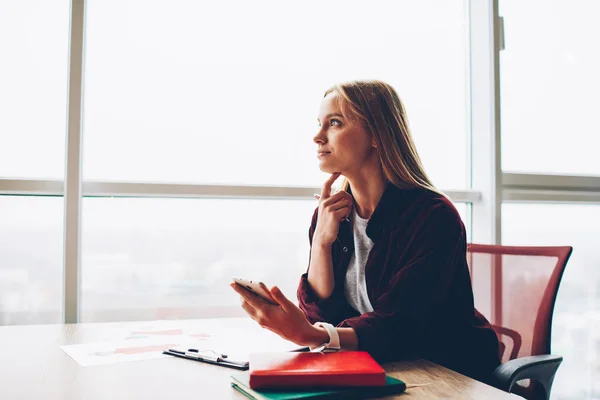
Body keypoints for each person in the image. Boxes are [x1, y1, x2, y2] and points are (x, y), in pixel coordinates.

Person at [230, 80, 500, 383]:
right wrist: (321, 242)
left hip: (445, 371)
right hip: (378, 366)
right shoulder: (332, 216)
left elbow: (402, 324)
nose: (317, 137)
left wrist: (311, 334)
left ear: (376, 134)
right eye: (319, 124)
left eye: (334, 123)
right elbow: (323, 318)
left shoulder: (433, 217)